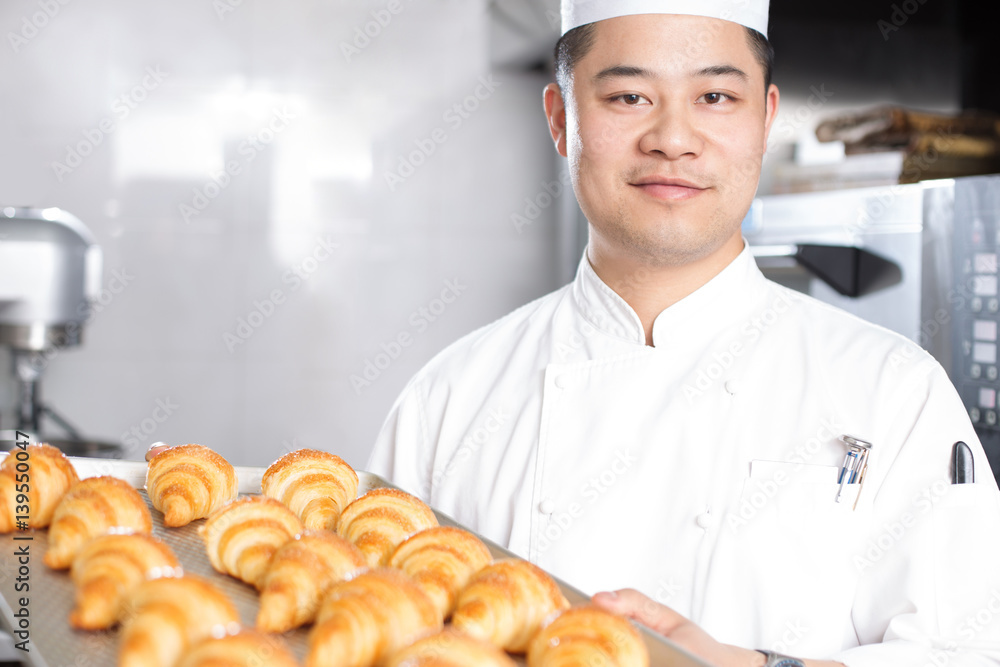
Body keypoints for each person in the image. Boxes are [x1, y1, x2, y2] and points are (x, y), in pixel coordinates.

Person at [367, 1, 1000, 665]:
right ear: (560, 118)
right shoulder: (446, 401)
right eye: (630, 95)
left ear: (765, 119)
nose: (673, 137)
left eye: (716, 96)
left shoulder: (896, 393)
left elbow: (972, 650)